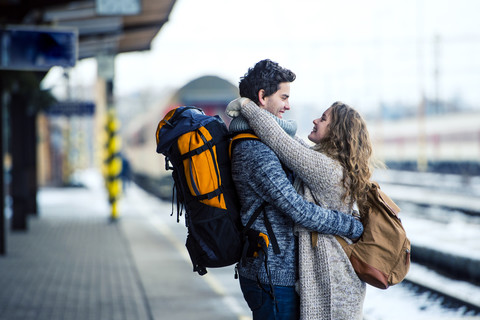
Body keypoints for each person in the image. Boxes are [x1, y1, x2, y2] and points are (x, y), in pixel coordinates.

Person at [227, 59, 364, 320]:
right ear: (262, 97)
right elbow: (298, 210)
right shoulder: (257, 152)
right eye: (284, 97)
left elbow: (290, 145)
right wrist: (350, 225)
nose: (288, 105)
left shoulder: (264, 143)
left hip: (277, 273)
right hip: (272, 276)